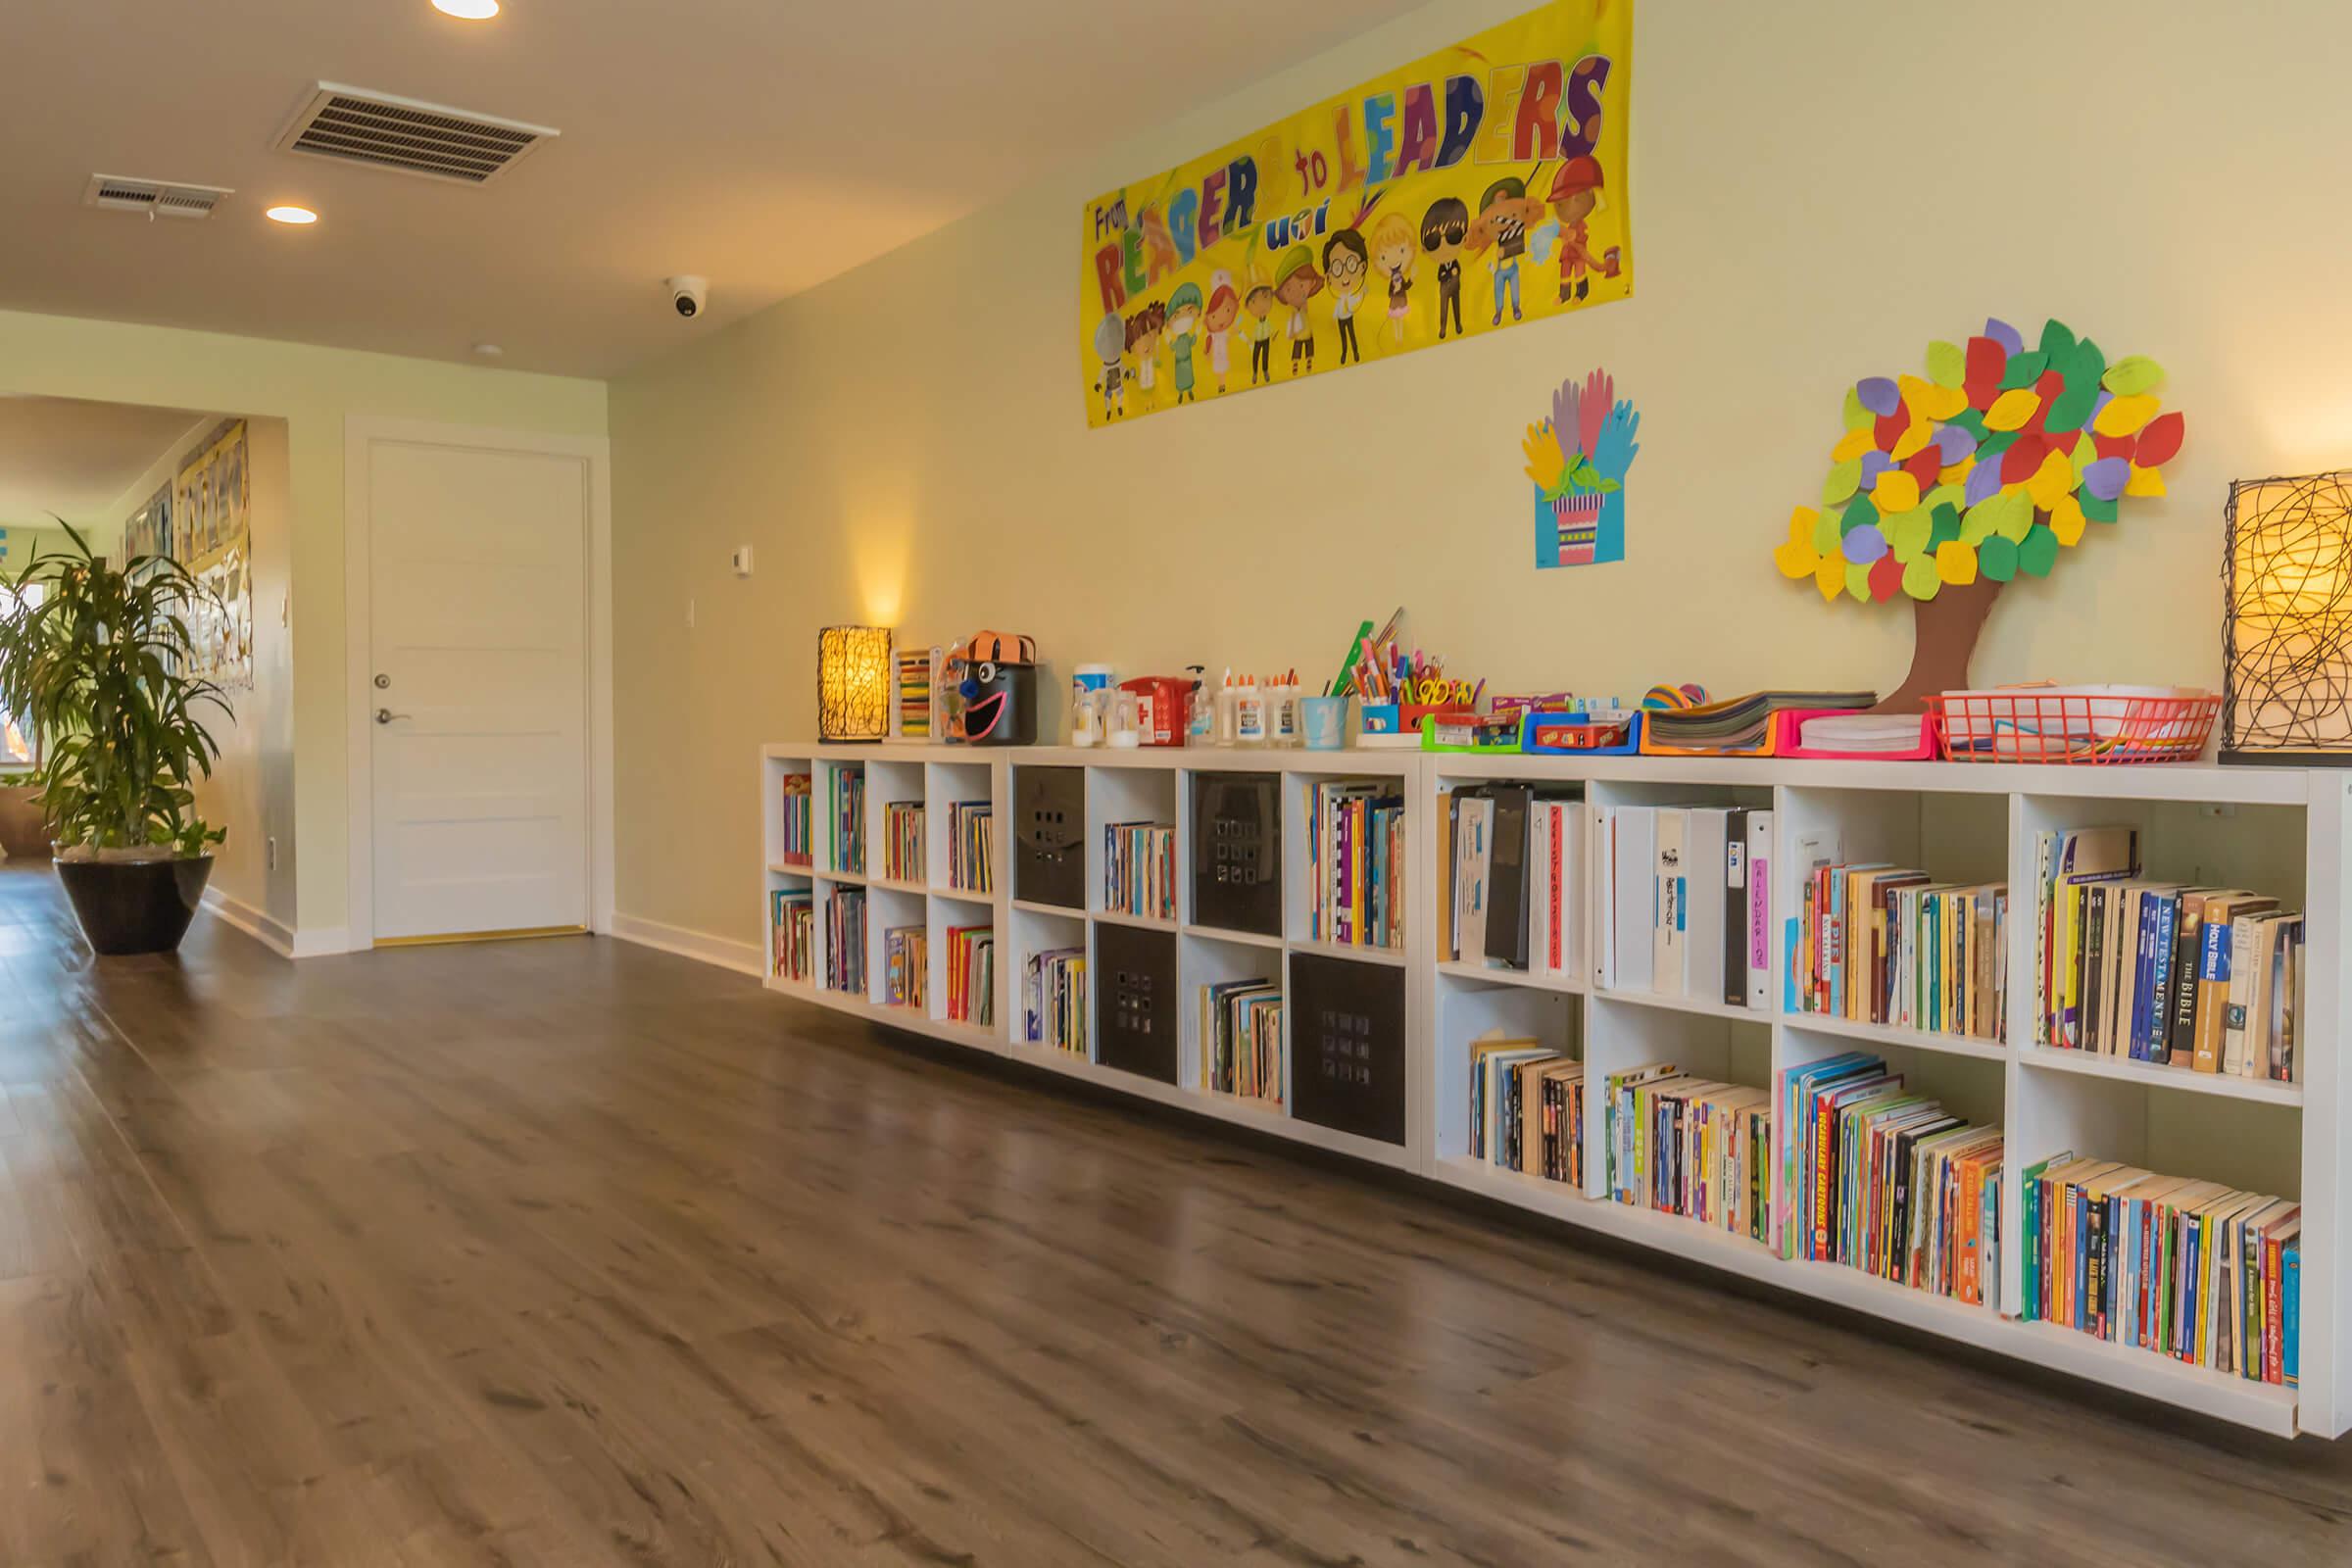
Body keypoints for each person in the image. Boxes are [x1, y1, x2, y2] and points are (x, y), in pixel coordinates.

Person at [1272, 243, 1325, 376]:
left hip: (1307, 332)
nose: (1295, 292)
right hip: (1298, 334)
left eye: (1301, 284)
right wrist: (1290, 332)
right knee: (1297, 348)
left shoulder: (1305, 308)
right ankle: (1295, 363)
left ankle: (1309, 360)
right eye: (1288, 289)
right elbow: (1291, 322)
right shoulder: (1294, 313)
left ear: (1312, 282)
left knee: (1309, 345)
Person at [1419, 196, 1467, 340]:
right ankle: (1443, 328)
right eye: (1433, 241)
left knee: (1456, 307)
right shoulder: (1442, 266)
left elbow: (1458, 270)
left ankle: (1458, 324)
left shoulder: (1454, 262)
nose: (1444, 244)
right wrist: (1449, 274)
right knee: (1444, 309)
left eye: (1453, 235)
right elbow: (1440, 276)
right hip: (1444, 290)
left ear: (1465, 237)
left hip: (1456, 288)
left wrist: (1455, 272)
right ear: (1424, 249)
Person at [1322, 228, 1368, 367]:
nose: (1344, 274)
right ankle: (1344, 353)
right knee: (1343, 337)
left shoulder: (1350, 296)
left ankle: (1355, 352)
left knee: (1352, 335)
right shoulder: (1340, 298)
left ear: (1363, 266)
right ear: (1328, 277)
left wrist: (1363, 294)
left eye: (1351, 264)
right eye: (1337, 268)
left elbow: (1356, 302)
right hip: (1341, 318)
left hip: (1349, 316)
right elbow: (1337, 310)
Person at [1370, 212, 1415, 346]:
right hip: (1395, 301)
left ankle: (1400, 338)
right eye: (1383, 257)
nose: (1394, 260)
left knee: (1401, 320)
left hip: (1401, 300)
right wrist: (1395, 289)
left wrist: (1412, 278)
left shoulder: (1400, 276)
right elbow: (1389, 293)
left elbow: (1406, 286)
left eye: (1401, 250)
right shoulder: (1392, 280)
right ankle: (1397, 338)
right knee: (1396, 320)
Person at [1164, 281, 1203, 405]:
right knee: (1180, 380)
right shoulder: (1178, 339)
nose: (1182, 318)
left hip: (1187, 361)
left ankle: (1190, 390)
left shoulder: (1186, 337)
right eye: (1176, 316)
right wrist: (1169, 340)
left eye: (1189, 311)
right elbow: (1173, 347)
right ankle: (1181, 393)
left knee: (1188, 377)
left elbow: (1192, 342)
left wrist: (1196, 333)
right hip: (1179, 364)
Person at [1202, 271, 1240, 393]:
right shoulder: (1212, 334)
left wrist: (1235, 332)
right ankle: (1221, 385)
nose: (1221, 320)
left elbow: (1228, 337)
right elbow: (1210, 342)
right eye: (1213, 316)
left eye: (1228, 309)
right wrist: (1207, 353)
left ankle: (1222, 385)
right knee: (1219, 368)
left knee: (1223, 368)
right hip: (1217, 355)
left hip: (1223, 353)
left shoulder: (1224, 333)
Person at [1243, 280, 1276, 384]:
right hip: (1257, 341)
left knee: (1265, 355)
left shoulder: (1267, 321)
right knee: (1255, 356)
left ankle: (1265, 371)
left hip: (1266, 340)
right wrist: (1250, 340)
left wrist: (1273, 335)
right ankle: (1255, 373)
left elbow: (1271, 329)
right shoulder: (1255, 323)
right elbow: (1253, 333)